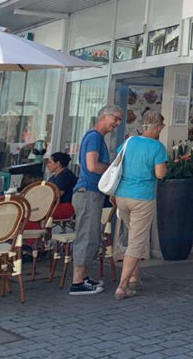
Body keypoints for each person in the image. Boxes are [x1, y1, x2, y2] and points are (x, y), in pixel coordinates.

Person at [113, 110, 168, 301]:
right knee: (136, 241)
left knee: (133, 234)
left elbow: (118, 164)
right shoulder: (157, 147)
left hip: (122, 195)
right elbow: (160, 174)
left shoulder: (129, 142)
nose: (161, 130)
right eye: (161, 126)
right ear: (157, 127)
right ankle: (123, 286)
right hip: (142, 197)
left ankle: (135, 277)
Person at [71, 104, 123, 296]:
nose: (117, 123)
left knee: (92, 234)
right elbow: (92, 166)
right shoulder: (94, 137)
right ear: (104, 116)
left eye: (119, 119)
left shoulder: (94, 137)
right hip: (88, 192)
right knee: (86, 234)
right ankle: (77, 281)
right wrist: (113, 169)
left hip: (92, 192)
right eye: (115, 118)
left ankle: (84, 276)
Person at [46, 152, 77, 221]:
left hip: (65, 207)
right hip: (54, 206)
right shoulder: (53, 178)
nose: (47, 165)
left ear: (58, 164)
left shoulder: (66, 175)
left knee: (37, 212)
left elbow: (57, 195)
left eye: (50, 162)